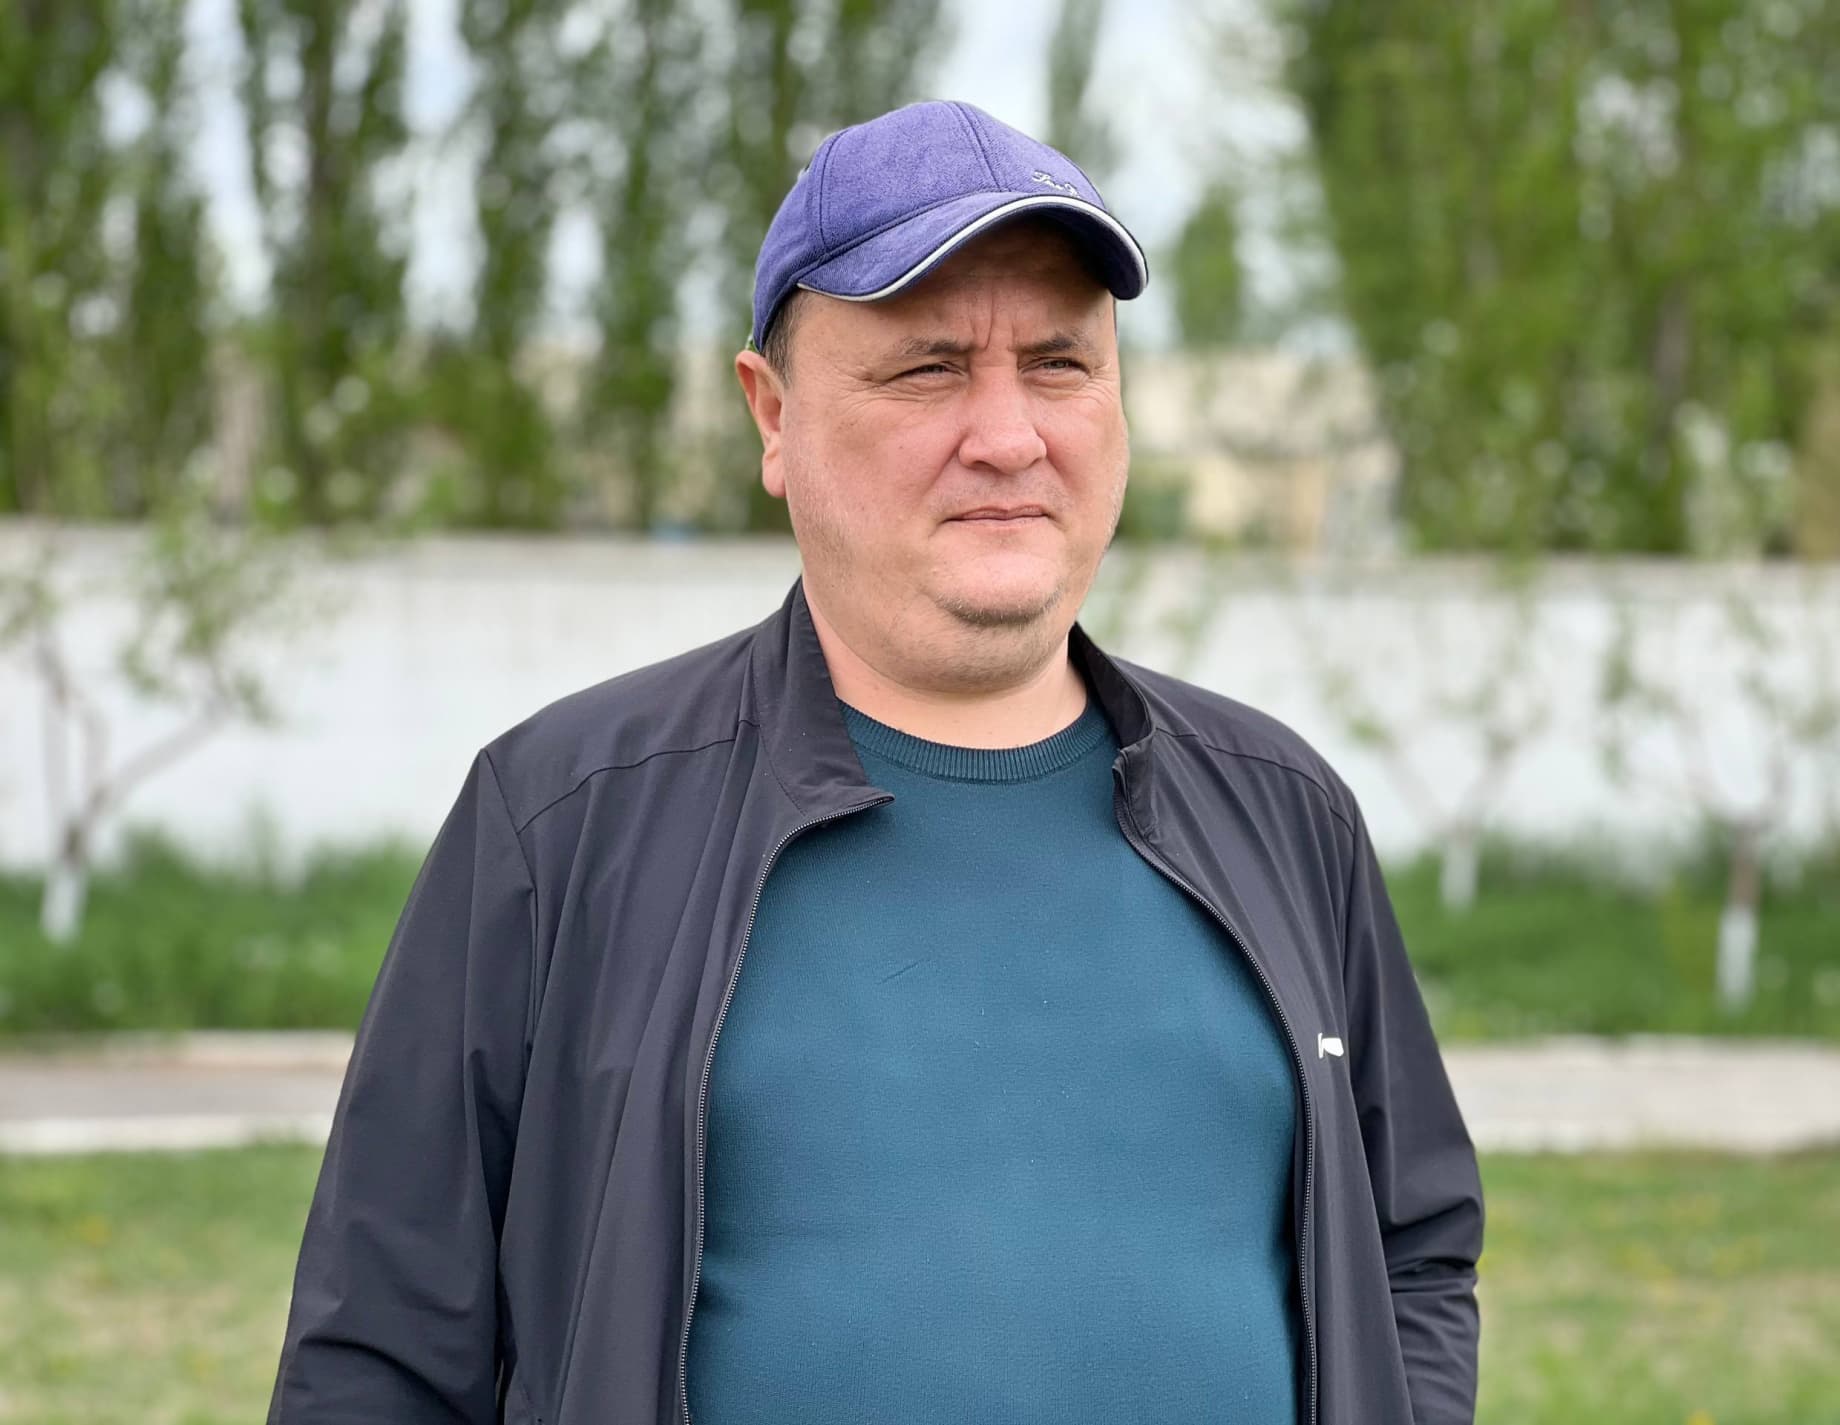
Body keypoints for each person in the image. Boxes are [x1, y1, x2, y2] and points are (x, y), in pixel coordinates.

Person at [267, 99, 1482, 1425]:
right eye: (928, 368)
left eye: (1062, 364)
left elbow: (1412, 1247)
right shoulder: (563, 824)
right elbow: (377, 1355)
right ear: (772, 415)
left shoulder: (1282, 813)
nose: (1009, 434)